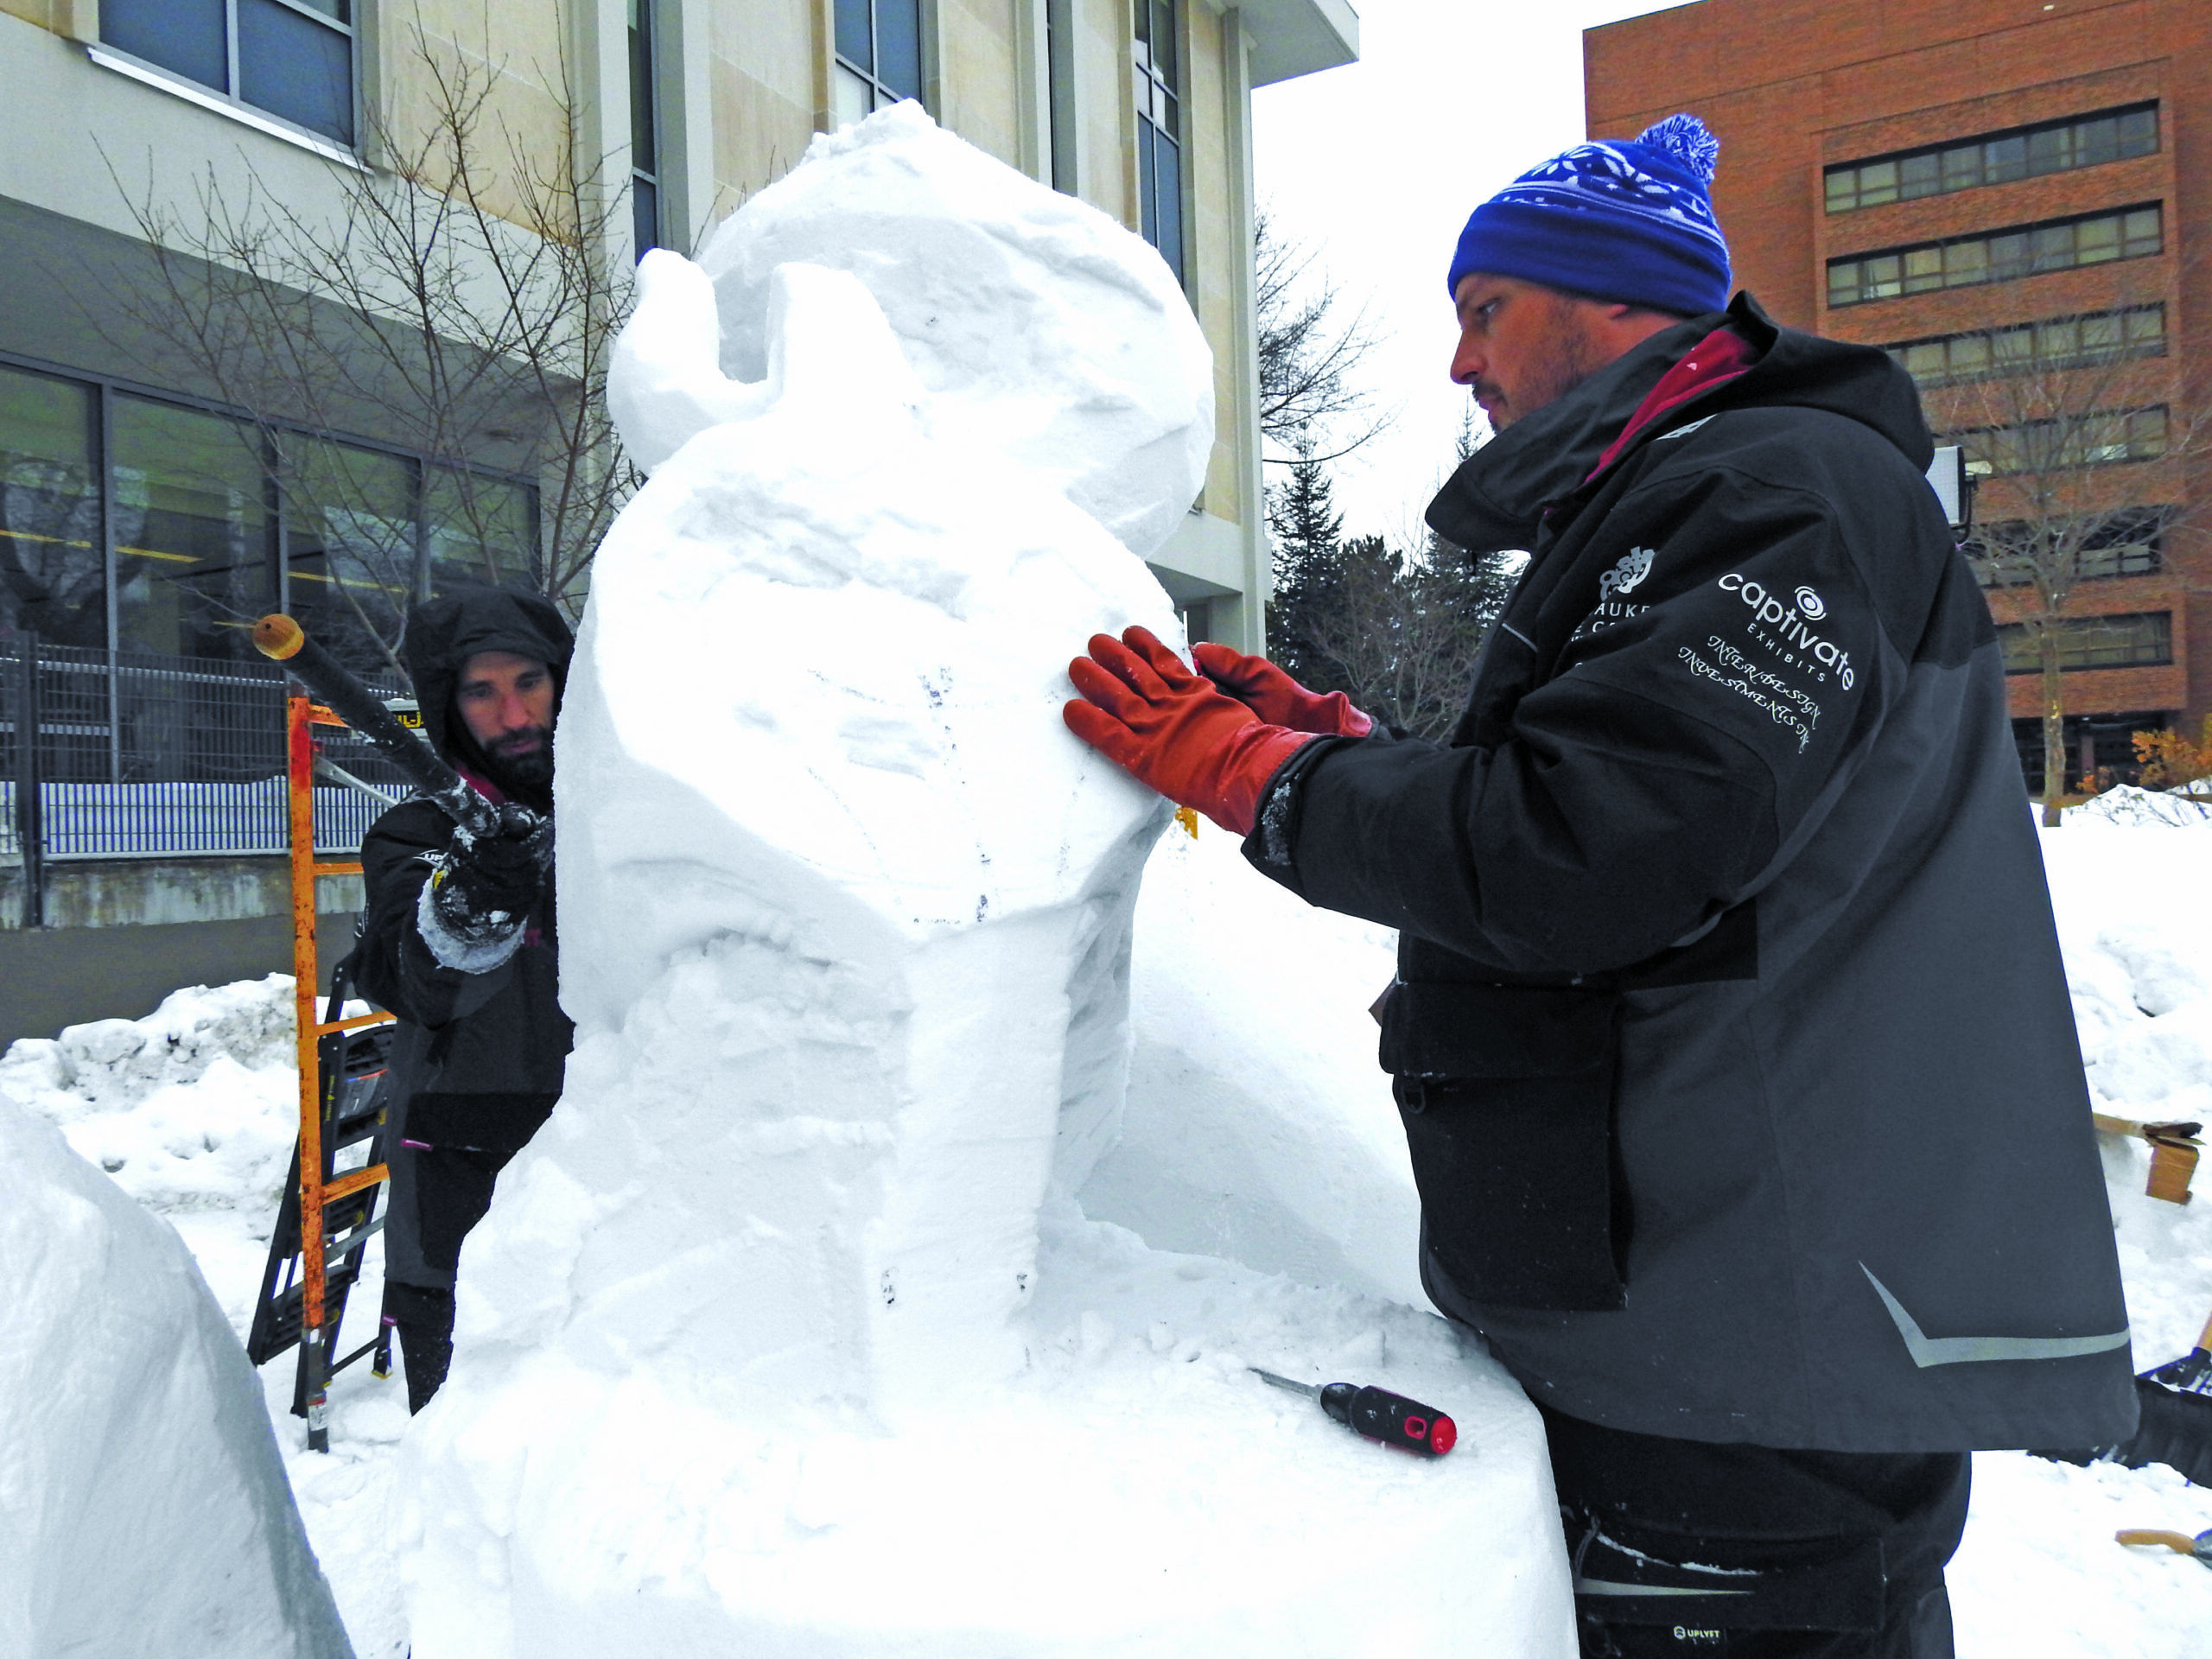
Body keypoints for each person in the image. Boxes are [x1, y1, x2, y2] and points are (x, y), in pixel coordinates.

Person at [1064, 115, 2136, 1656]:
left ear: (1618, 300)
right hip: (1702, 1319)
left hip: (1738, 1338)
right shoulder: (1709, 495)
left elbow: (1590, 853)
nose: (1459, 363)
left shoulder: (1776, 493)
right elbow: (1655, 807)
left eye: (1486, 309)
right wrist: (1344, 751)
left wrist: (1265, 778)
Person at [354, 589, 575, 1413]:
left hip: (618, 1165)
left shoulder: (625, 819)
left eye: (529, 682)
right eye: (481, 692)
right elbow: (420, 978)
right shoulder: (417, 837)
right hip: (461, 1182)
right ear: (449, 707)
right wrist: (472, 899)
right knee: (468, 1448)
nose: (513, 714)